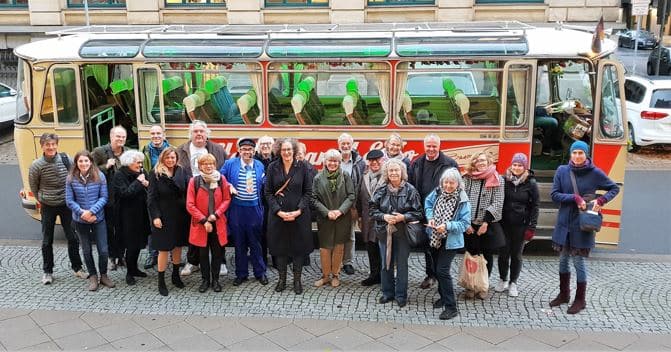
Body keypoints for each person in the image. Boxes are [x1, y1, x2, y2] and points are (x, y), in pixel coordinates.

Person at [549, 141, 620, 314]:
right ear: (571, 154)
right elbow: (555, 195)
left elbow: (614, 188)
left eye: (581, 153)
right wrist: (575, 198)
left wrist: (600, 201)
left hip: (582, 225)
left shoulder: (594, 173)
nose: (577, 156)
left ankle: (580, 299)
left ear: (586, 155)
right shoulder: (562, 171)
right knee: (563, 260)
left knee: (578, 261)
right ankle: (564, 294)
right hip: (564, 223)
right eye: (574, 153)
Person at [29, 133, 85, 284]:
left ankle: (77, 268)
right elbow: (34, 187)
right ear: (42, 146)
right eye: (47, 144)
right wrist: (43, 198)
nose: (51, 147)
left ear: (57, 145)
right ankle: (48, 271)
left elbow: (75, 176)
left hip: (66, 204)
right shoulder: (36, 165)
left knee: (72, 237)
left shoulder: (66, 159)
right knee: (47, 240)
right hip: (48, 206)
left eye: (53, 144)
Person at [176, 120, 228, 277]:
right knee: (195, 231)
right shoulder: (181, 150)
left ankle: (222, 262)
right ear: (190, 134)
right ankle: (193, 262)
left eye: (201, 131)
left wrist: (229, 186)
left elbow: (225, 169)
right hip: (191, 194)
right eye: (195, 131)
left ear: (207, 134)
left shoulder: (218, 149)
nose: (199, 134)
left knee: (218, 232)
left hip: (215, 197)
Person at [369, 158, 423, 308]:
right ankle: (387, 293)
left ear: (402, 172)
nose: (393, 173)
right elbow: (372, 210)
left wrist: (403, 217)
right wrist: (384, 216)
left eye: (396, 170)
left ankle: (401, 295)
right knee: (385, 263)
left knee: (401, 264)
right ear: (386, 173)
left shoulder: (410, 190)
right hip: (384, 232)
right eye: (391, 170)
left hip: (403, 232)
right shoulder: (381, 190)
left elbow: (419, 212)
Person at [408, 134, 458, 290]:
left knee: (441, 245)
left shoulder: (449, 164)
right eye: (428, 146)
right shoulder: (417, 163)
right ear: (424, 146)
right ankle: (430, 275)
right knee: (428, 246)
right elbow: (411, 186)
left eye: (434, 146)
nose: (431, 149)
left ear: (439, 146)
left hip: (443, 212)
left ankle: (441, 277)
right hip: (422, 211)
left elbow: (457, 188)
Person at [265, 138, 313, 295]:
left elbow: (308, 192)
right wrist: (278, 211)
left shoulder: (303, 167)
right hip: (278, 216)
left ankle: (297, 281)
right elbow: (268, 192)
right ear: (279, 151)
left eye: (289, 150)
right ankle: (282, 280)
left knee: (298, 249)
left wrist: (299, 210)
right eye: (283, 150)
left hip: (299, 216)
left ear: (294, 151)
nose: (286, 152)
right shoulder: (273, 167)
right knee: (280, 249)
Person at [220, 138, 268, 287]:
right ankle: (241, 274)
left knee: (256, 243)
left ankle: (260, 272)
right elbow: (219, 177)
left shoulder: (259, 165)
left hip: (254, 209)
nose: (247, 152)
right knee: (239, 243)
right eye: (244, 149)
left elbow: (265, 183)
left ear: (254, 151)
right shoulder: (230, 164)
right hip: (237, 210)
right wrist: (228, 186)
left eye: (250, 150)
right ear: (239, 151)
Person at [424, 168, 471, 320]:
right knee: (437, 271)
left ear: (458, 183)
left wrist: (448, 225)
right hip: (435, 237)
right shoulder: (437, 192)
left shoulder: (462, 199)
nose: (448, 186)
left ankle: (451, 307)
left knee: (442, 271)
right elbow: (428, 203)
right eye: (446, 182)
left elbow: (464, 224)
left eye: (452, 183)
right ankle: (443, 297)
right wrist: (431, 217)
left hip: (451, 241)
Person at [65, 150, 115, 291]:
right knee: (86, 250)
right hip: (80, 220)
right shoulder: (70, 178)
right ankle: (93, 276)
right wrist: (83, 213)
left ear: (91, 162)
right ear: (76, 163)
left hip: (97, 218)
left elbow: (104, 197)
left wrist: (92, 211)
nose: (84, 163)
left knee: (103, 250)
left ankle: (104, 275)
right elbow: (69, 201)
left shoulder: (99, 176)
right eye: (80, 161)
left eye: (86, 161)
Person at [186, 153, 232, 293]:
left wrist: (216, 215)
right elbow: (190, 204)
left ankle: (216, 280)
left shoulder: (221, 179)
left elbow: (227, 199)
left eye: (211, 163)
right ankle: (205, 280)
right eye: (205, 164)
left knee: (217, 253)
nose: (208, 166)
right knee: (203, 254)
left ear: (215, 165)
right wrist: (204, 220)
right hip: (201, 225)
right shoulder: (194, 181)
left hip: (217, 223)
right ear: (200, 166)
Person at [496, 153, 540, 297]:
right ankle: (503, 279)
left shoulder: (531, 184)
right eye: (514, 164)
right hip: (504, 224)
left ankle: (513, 282)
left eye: (520, 165)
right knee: (503, 254)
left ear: (525, 167)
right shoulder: (504, 180)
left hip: (521, 225)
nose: (516, 167)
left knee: (516, 255)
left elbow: (535, 207)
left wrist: (531, 228)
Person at [462, 152, 505, 300]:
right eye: (478, 160)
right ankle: (470, 286)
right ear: (474, 162)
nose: (481, 162)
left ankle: (483, 286)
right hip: (469, 223)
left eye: (483, 160)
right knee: (471, 255)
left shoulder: (497, 179)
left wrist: (486, 222)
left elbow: (498, 202)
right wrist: (466, 222)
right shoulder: (467, 178)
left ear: (489, 161)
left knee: (486, 256)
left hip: (487, 224)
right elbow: (462, 200)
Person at [147, 147, 189, 296]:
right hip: (163, 216)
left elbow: (188, 189)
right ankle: (161, 280)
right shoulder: (155, 173)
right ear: (162, 159)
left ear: (176, 158)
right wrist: (155, 216)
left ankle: (175, 275)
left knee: (177, 246)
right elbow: (151, 198)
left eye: (173, 158)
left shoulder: (181, 171)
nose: (170, 160)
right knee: (164, 249)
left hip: (180, 215)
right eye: (168, 158)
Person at [312, 149, 355, 288]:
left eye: (335, 161)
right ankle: (325, 276)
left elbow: (351, 196)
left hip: (342, 217)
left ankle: (336, 275)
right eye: (330, 160)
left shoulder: (345, 175)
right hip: (325, 218)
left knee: (338, 247)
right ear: (325, 162)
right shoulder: (318, 178)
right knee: (325, 248)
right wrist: (327, 212)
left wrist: (340, 211)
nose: (332, 163)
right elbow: (314, 199)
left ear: (339, 162)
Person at [111, 150, 151, 286]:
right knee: (130, 244)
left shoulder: (142, 173)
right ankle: (129, 272)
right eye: (137, 162)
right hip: (126, 216)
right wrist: (139, 182)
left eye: (141, 162)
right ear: (129, 163)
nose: (140, 165)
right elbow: (125, 194)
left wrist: (146, 184)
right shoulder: (119, 175)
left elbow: (150, 189)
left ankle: (134, 269)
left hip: (141, 213)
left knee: (139, 243)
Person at [92, 126, 127, 271]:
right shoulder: (100, 151)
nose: (120, 139)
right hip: (108, 198)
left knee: (123, 228)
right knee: (110, 229)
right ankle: (112, 256)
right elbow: (89, 169)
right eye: (117, 136)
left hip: (124, 197)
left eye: (123, 137)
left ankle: (122, 255)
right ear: (111, 137)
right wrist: (106, 166)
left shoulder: (128, 151)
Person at [142, 125, 172, 269]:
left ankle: (172, 254)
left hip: (168, 193)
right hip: (152, 192)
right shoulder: (145, 151)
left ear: (164, 135)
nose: (156, 136)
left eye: (158, 133)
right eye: (153, 133)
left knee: (171, 224)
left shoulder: (171, 150)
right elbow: (141, 168)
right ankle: (152, 254)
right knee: (153, 224)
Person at [338, 133, 365, 276]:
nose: (345, 146)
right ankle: (335, 261)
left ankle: (348, 262)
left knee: (349, 234)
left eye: (348, 143)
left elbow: (360, 184)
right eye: (343, 143)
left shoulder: (359, 162)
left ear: (352, 145)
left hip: (351, 204)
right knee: (334, 233)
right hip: (335, 203)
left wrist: (356, 207)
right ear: (339, 145)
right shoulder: (333, 159)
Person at [357, 149, 385, 286]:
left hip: (382, 219)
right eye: (372, 160)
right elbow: (359, 196)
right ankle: (374, 275)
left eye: (377, 160)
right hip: (367, 218)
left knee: (383, 248)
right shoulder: (364, 176)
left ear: (382, 160)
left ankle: (385, 276)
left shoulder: (388, 176)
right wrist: (359, 215)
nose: (375, 163)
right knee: (371, 247)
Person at [255, 135, 275, 266]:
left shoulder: (277, 159)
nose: (266, 146)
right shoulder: (254, 160)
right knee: (260, 230)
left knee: (274, 230)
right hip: (259, 200)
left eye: (268, 144)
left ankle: (275, 257)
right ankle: (261, 258)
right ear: (258, 146)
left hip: (274, 200)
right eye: (263, 144)